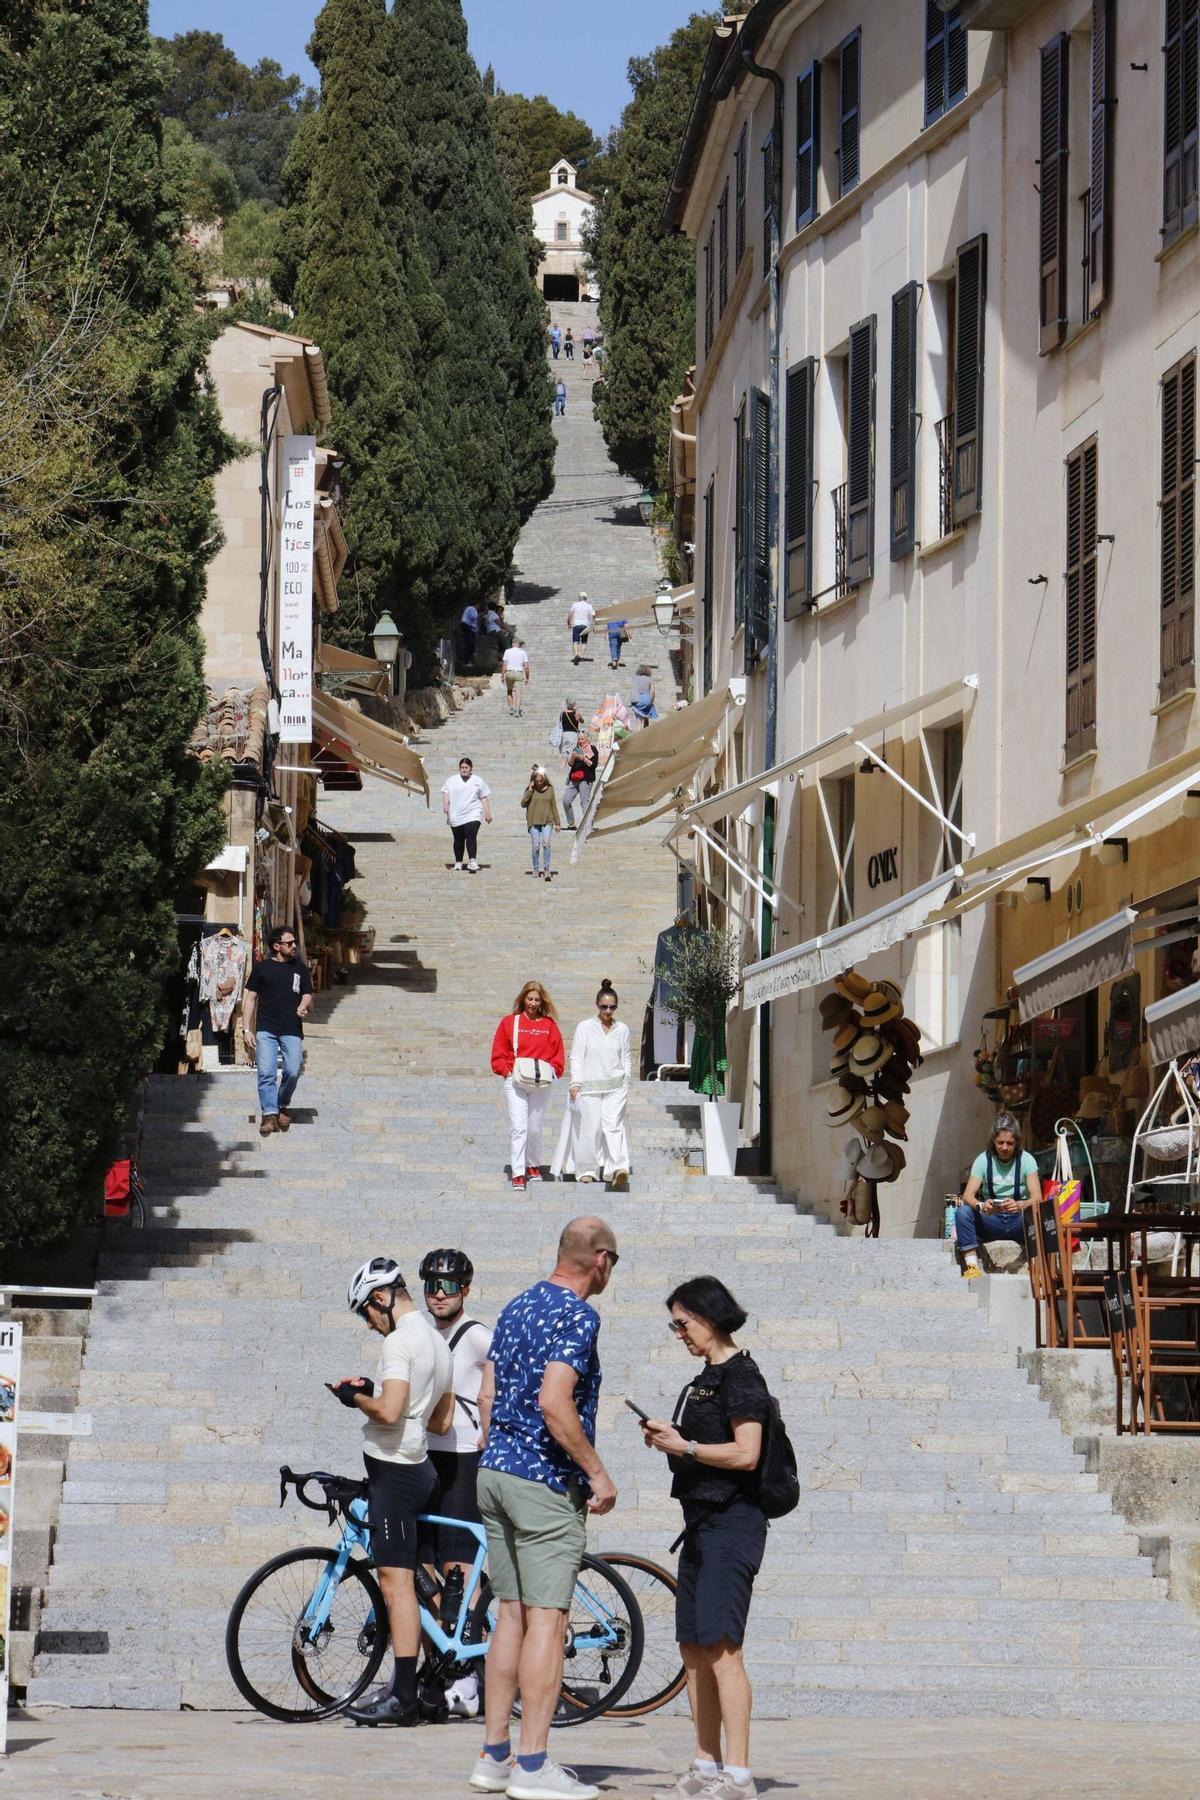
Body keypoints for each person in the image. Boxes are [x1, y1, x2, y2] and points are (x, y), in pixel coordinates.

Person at [469, 1218, 619, 1800]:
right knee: (549, 1622)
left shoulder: (516, 1305)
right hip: (544, 1482)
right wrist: (597, 1472)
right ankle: (533, 1767)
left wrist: (499, 1447)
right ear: (600, 1260)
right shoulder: (578, 1315)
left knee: (511, 1615)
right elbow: (555, 1401)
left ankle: (494, 1754)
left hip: (495, 1472)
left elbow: (488, 1393)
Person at [640, 1277, 771, 1800]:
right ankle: (705, 1762)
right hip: (698, 1524)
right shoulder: (706, 1378)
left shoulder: (741, 1377)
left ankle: (738, 1774)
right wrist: (671, 1443)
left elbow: (746, 1454)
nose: (678, 1333)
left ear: (709, 1317)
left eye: (683, 1323)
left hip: (732, 1523)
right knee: (693, 1648)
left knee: (723, 1649)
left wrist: (686, 1446)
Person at [334, 1257, 454, 1727]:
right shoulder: (436, 1342)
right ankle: (434, 1688)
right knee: (423, 1581)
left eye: (366, 1310)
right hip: (420, 1466)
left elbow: (387, 1413)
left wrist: (354, 1397)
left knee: (395, 1582)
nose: (367, 1322)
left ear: (381, 1298)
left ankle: (402, 1695)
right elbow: (440, 1420)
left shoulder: (399, 1342)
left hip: (396, 1472)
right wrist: (380, 1393)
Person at [421, 1247, 493, 1722]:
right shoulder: (423, 1335)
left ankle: (467, 1677)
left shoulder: (476, 1335)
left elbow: (508, 1371)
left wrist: (491, 1427)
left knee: (458, 1568)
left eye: (448, 1286)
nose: (438, 1294)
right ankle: (441, 1668)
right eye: (430, 1284)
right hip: (426, 1458)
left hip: (464, 1460)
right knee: (423, 1566)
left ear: (465, 1289)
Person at [490, 981, 566, 1191]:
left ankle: (533, 1164)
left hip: (541, 1083)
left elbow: (558, 1055)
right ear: (523, 999)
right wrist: (507, 1072)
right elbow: (498, 1053)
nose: (532, 1003)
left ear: (543, 1001)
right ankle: (518, 1172)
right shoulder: (509, 1023)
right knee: (519, 1127)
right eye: (529, 999)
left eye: (537, 1000)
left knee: (535, 1127)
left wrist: (552, 1072)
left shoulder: (549, 1026)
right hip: (516, 1081)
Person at [555, 981, 631, 1189]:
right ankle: (587, 1170)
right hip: (589, 1085)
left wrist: (626, 1079)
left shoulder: (622, 1029)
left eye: (612, 1007)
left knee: (613, 1126)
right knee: (590, 1128)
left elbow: (626, 1056)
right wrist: (575, 1082)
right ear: (597, 1005)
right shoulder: (585, 1027)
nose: (608, 1011)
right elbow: (577, 1056)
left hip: (615, 1085)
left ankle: (618, 1168)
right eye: (604, 1006)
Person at [242, 925, 314, 1137]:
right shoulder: (262, 968)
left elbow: (309, 994)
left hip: (291, 1028)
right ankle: (270, 1114)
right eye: (289, 943)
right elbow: (250, 999)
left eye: (294, 943)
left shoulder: (300, 968)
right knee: (266, 1072)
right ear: (276, 946)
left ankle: (282, 1104)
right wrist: (246, 1029)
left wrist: (303, 1004)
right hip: (266, 1029)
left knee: (293, 1069)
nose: (294, 946)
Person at [955, 1112, 1042, 1279]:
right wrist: (982, 1206)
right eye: (1000, 1142)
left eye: (1010, 1143)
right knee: (963, 1212)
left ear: (1016, 1142)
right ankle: (972, 1266)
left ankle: (1036, 1264)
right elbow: (968, 1196)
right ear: (993, 1141)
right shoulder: (983, 1160)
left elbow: (1037, 1197)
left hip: (1019, 1221)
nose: (1004, 1148)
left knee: (1038, 1213)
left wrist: (1019, 1205)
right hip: (991, 1221)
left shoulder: (1027, 1160)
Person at [441, 757, 492, 874]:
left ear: (471, 768)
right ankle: (458, 861)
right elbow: (445, 792)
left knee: (471, 834)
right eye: (462, 768)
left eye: (466, 768)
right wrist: (445, 804)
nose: (464, 770)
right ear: (459, 768)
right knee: (458, 839)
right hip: (456, 813)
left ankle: (472, 861)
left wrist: (487, 812)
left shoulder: (478, 780)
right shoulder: (451, 780)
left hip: (473, 813)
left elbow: (483, 797)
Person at [522, 767, 561, 881]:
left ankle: (546, 869)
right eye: (537, 781)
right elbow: (523, 803)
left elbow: (554, 805)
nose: (539, 783)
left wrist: (557, 822)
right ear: (533, 780)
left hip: (547, 821)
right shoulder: (530, 790)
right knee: (536, 846)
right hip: (533, 821)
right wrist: (529, 790)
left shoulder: (550, 789)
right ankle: (535, 868)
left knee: (546, 844)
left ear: (544, 779)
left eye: (541, 781)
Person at [560, 731, 596, 829]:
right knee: (566, 800)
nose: (580, 741)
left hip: (586, 778)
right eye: (579, 739)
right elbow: (571, 764)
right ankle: (571, 824)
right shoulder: (576, 749)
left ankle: (588, 825)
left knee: (584, 802)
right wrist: (573, 757)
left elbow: (593, 765)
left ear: (587, 739)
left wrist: (583, 758)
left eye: (582, 739)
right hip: (575, 777)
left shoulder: (592, 749)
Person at [502, 640, 531, 717]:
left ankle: (511, 708)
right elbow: (526, 666)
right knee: (518, 694)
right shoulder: (523, 652)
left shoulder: (507, 651)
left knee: (509, 691)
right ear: (518, 644)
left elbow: (504, 664)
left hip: (509, 672)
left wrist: (502, 675)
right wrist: (527, 677)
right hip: (519, 673)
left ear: (512, 644)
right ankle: (517, 710)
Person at [566, 592, 595, 665]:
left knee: (575, 641)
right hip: (585, 625)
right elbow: (593, 615)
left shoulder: (575, 605)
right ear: (586, 598)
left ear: (579, 597)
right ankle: (581, 656)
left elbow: (570, 615)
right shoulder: (589, 606)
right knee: (584, 641)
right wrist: (593, 624)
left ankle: (576, 654)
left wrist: (569, 623)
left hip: (576, 625)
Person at [460, 602, 479, 667]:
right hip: (467, 626)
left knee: (470, 645)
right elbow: (474, 618)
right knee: (470, 645)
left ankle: (467, 661)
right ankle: (466, 661)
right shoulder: (472, 609)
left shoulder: (468, 608)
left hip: (467, 626)